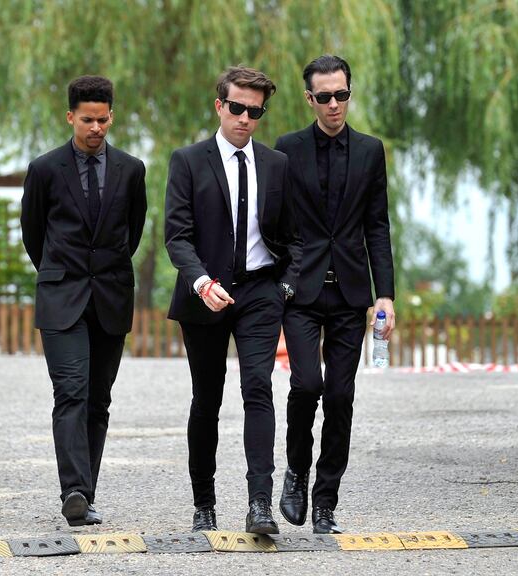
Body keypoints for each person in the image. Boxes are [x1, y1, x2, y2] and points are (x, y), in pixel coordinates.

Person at [165, 66, 301, 534]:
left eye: (255, 111)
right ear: (220, 105)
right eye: (238, 107)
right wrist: (201, 282)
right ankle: (204, 504)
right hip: (205, 292)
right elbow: (176, 237)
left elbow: (295, 237)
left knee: (258, 388)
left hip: (261, 291)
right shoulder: (187, 161)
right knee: (207, 397)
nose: (245, 118)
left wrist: (284, 286)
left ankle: (259, 505)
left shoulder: (277, 164)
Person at [274, 55, 395, 534]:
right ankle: (296, 472)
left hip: (349, 294)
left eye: (341, 94)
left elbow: (377, 226)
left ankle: (326, 503)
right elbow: (277, 225)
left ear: (350, 92)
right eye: (323, 97)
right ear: (310, 99)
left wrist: (384, 295)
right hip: (301, 293)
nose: (333, 104)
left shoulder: (370, 151)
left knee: (341, 397)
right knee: (307, 386)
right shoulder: (286, 150)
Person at [21, 75, 147, 526]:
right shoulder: (44, 169)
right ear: (70, 117)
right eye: (87, 120)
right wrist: (59, 273)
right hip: (62, 296)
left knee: (99, 400)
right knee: (70, 391)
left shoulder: (132, 170)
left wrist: (102, 273)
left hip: (110, 296)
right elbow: (33, 234)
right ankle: (73, 490)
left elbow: (131, 234)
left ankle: (84, 493)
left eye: (103, 119)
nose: (96, 128)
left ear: (112, 116)